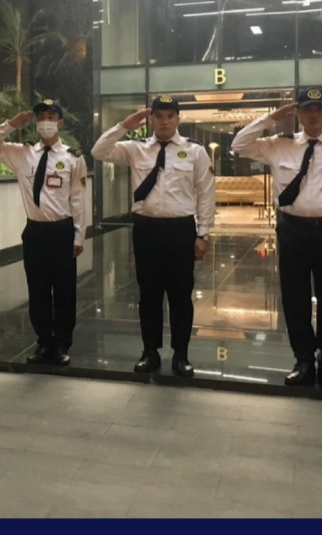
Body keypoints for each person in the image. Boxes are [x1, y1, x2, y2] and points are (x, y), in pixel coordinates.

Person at [232, 88, 322, 390]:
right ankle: (303, 360)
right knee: (295, 298)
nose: (313, 114)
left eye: (319, 109)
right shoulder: (280, 145)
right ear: (298, 113)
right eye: (307, 109)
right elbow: (239, 145)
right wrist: (270, 118)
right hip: (293, 231)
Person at [91, 95, 216, 378]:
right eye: (158, 116)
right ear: (151, 119)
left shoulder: (195, 151)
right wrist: (124, 125)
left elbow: (206, 193)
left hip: (181, 230)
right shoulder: (136, 149)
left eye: (170, 116)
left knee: (180, 295)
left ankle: (181, 354)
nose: (164, 121)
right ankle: (150, 352)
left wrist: (204, 233)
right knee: (149, 294)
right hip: (146, 230)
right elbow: (99, 151)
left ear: (178, 119)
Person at [0, 99, 86, 366]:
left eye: (51, 117)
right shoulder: (23, 153)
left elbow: (78, 200)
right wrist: (9, 125)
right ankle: (43, 342)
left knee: (64, 291)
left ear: (60, 123)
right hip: (34, 232)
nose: (45, 122)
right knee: (38, 289)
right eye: (41, 117)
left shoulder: (73, 158)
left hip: (62, 231)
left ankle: (62, 343)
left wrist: (79, 236)